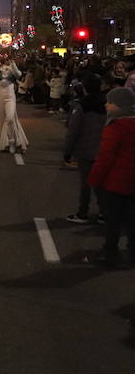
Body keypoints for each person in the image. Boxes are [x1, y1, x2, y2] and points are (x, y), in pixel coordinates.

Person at [87, 87, 135, 266]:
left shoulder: (115, 128)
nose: (106, 105)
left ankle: (110, 253)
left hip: (115, 183)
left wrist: (93, 180)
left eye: (110, 102)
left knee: (112, 220)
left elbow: (105, 158)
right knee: (131, 220)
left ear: (120, 106)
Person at [64, 74, 106, 224]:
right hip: (104, 150)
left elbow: (72, 130)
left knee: (86, 184)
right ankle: (103, 213)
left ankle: (83, 213)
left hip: (86, 150)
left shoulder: (81, 106)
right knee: (102, 183)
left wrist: (67, 151)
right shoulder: (107, 105)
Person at [0, 57, 28, 153]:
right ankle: (5, 143)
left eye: (9, 59)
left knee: (10, 118)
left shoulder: (13, 71)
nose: (8, 61)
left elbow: (19, 74)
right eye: (6, 60)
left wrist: (13, 65)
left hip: (10, 98)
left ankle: (12, 141)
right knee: (1, 121)